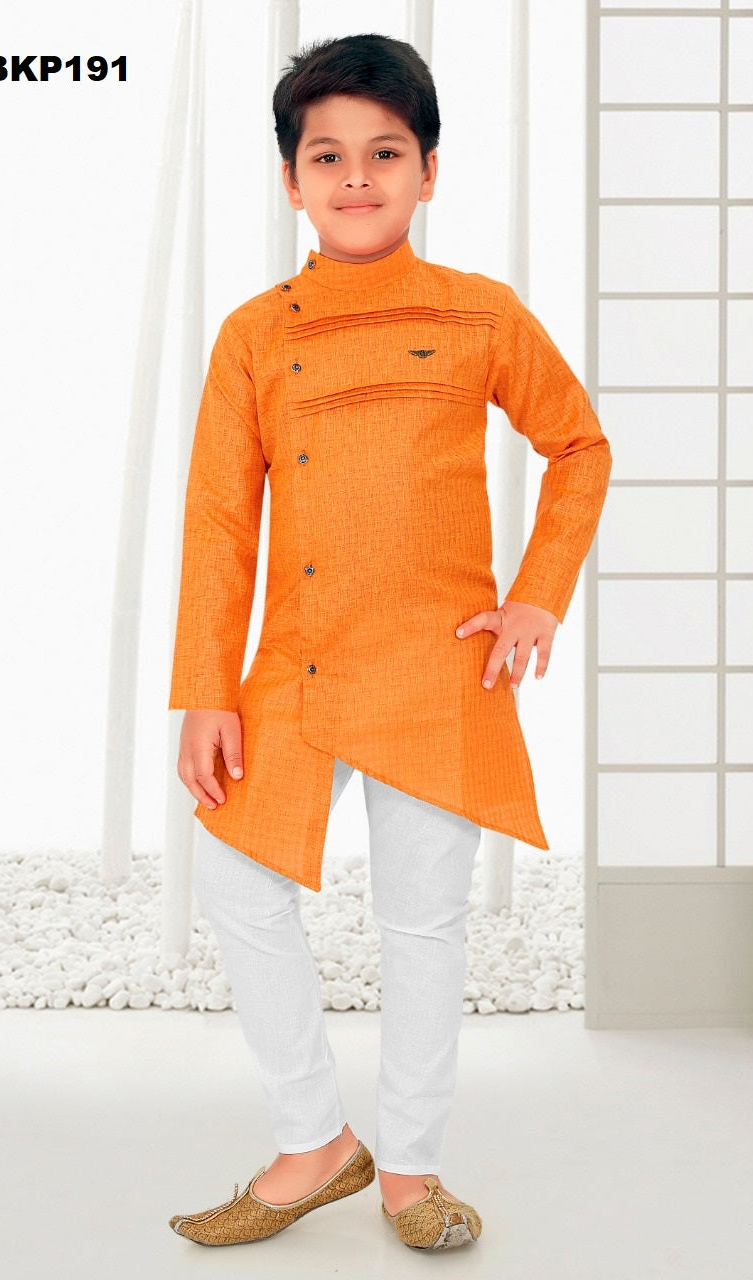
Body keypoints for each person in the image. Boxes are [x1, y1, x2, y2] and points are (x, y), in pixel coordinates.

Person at [166, 32, 612, 1252]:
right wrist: (204, 687)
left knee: (423, 920)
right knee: (233, 878)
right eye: (327, 156)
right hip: (296, 665)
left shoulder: (479, 312)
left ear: (426, 170)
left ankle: (411, 1171)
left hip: (436, 663)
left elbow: (578, 446)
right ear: (289, 179)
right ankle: (314, 1137)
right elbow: (218, 521)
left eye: (384, 152)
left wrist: (537, 596)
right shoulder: (254, 333)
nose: (355, 177)